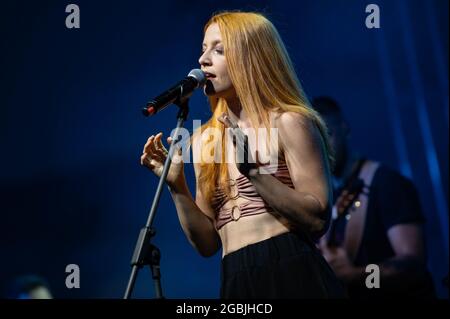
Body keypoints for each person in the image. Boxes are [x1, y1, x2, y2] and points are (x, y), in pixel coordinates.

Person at [141, 11, 345, 298]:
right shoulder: (204, 140)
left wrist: (254, 173)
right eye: (203, 49)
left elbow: (317, 219)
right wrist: (177, 187)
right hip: (235, 276)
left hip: (292, 268)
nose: (203, 60)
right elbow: (208, 245)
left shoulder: (289, 122)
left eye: (219, 50)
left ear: (251, 58)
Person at [312, 96, 436, 298]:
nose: (323, 149)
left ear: (345, 128)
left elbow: (413, 268)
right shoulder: (328, 194)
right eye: (315, 142)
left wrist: (357, 275)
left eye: (328, 135)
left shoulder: (387, 183)